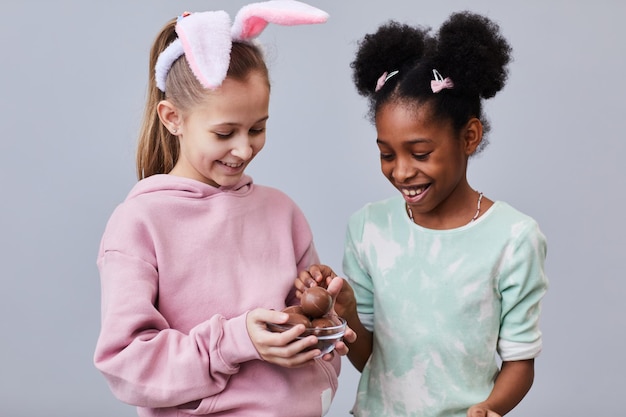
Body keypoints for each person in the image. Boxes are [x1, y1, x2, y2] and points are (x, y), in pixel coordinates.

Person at [93, 2, 355, 416]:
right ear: (172, 118)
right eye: (224, 132)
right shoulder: (140, 223)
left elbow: (308, 331)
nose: (244, 148)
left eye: (257, 128)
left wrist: (323, 323)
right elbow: (126, 362)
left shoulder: (282, 212)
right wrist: (236, 341)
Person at [296, 11, 548, 417]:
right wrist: (344, 312)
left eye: (420, 153)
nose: (401, 171)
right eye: (386, 154)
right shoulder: (367, 228)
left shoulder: (514, 238)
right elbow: (371, 360)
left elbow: (520, 361)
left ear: (469, 137)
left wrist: (491, 408)